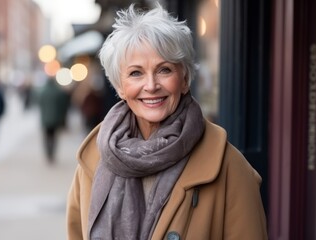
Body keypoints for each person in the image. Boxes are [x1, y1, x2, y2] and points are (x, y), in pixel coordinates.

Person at [66, 3, 267, 240]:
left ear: (184, 79)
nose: (151, 86)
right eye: (136, 73)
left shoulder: (229, 166)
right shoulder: (93, 160)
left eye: (164, 70)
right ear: (120, 87)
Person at [38, 77, 70, 163]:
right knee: (54, 137)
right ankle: (52, 154)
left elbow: (39, 103)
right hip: (56, 119)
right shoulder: (58, 92)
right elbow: (63, 105)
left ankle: (48, 154)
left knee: (47, 137)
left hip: (45, 119)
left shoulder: (43, 92)